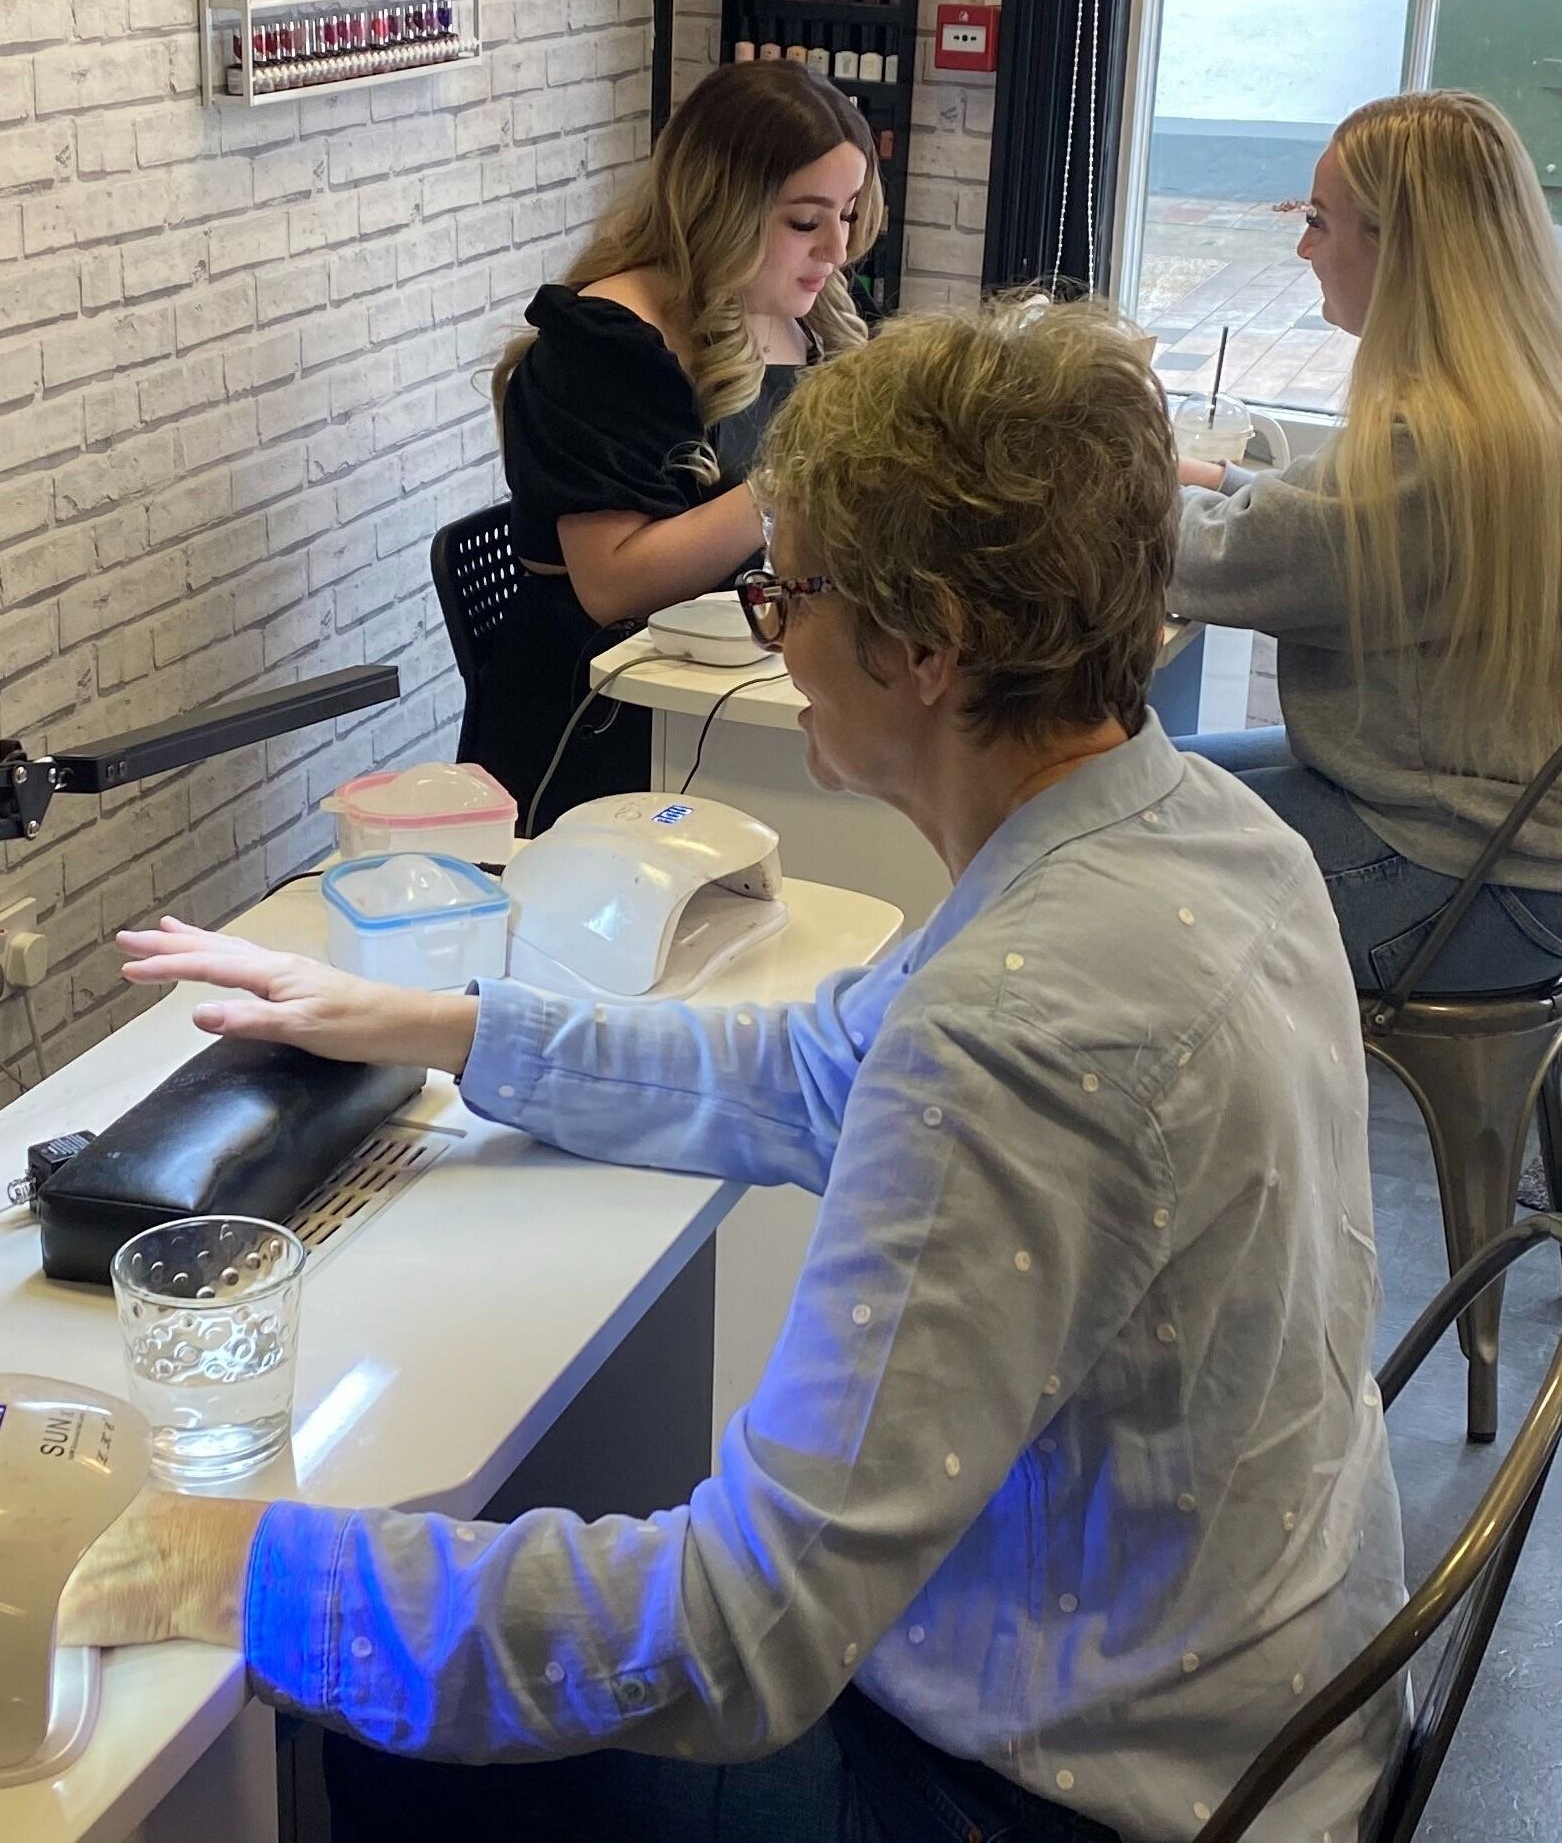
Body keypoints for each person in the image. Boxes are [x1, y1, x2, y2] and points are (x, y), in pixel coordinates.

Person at [70, 297, 1407, 1843]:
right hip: (1242, 1677)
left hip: (1064, 1791)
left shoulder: (1022, 1020)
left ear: (921, 650)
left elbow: (737, 1642)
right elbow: (815, 1072)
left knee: (365, 1744)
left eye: (790, 593)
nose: (774, 626)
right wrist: (442, 1028)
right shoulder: (1205, 841)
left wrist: (252, 1568)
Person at [1172, 90, 1562, 996]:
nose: (1304, 249)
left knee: (1092, 852)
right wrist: (1222, 482)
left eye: (1319, 221)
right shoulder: (1541, 390)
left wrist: (1079, 483)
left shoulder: (1437, 438)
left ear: (1401, 246)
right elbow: (1345, 533)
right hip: (1511, 849)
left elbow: (1217, 563)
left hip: (1461, 884)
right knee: (1142, 787)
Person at [471, 58, 880, 830]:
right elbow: (614, 585)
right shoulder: (604, 345)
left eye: (849, 213)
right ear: (721, 208)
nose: (837, 249)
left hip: (745, 679)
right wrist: (792, 479)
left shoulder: (803, 311)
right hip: (608, 721)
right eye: (805, 221)